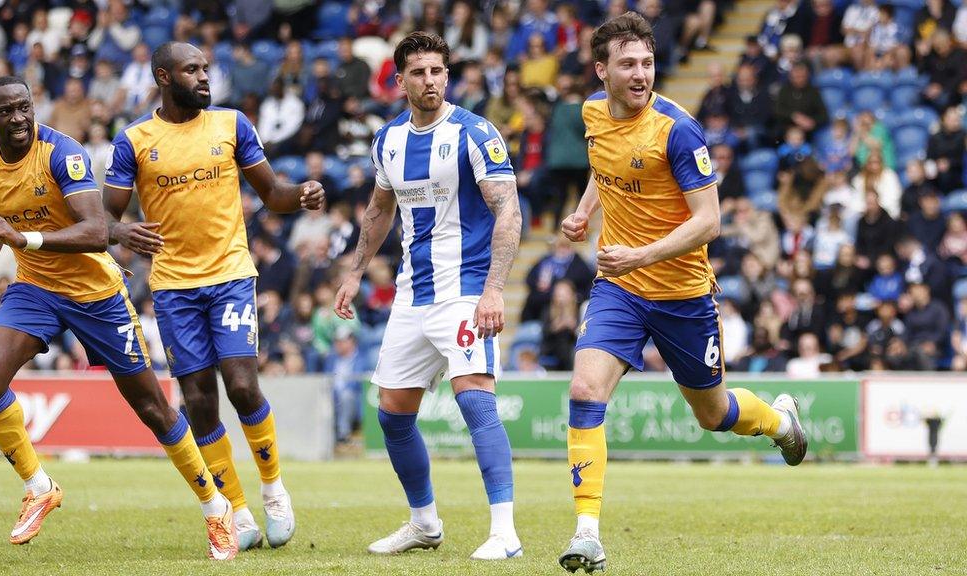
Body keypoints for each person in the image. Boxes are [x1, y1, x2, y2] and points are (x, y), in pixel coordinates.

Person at [556, 14, 808, 573]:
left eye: (646, 62)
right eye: (627, 63)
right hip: (618, 287)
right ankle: (587, 533)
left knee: (714, 415)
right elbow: (606, 168)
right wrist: (581, 213)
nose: (640, 73)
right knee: (584, 389)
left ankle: (778, 420)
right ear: (601, 71)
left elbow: (710, 221)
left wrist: (642, 254)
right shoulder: (592, 113)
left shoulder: (678, 129)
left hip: (682, 293)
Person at [0, 76, 237, 560]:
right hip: (36, 289)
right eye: (7, 112)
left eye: (25, 107)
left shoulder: (63, 152)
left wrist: (26, 240)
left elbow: (97, 229)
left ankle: (216, 508)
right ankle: (39, 486)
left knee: (153, 409)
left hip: (96, 293)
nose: (19, 118)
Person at [103, 42, 325, 552]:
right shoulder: (134, 140)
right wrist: (122, 233)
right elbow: (105, 216)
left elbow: (272, 194)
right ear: (163, 76)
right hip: (174, 286)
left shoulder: (232, 125)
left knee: (243, 385)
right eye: (192, 69)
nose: (205, 77)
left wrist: (303, 193)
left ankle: (273, 491)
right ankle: (238, 511)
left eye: (206, 68)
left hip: (229, 275)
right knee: (200, 400)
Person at [333, 32, 523, 561]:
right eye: (419, 73)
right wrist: (353, 274)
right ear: (401, 82)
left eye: (438, 71)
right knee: (392, 414)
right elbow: (378, 210)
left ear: (448, 75)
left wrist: (493, 291)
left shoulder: (474, 133)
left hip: (465, 290)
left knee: (475, 400)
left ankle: (504, 532)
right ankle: (424, 522)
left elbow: (508, 210)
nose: (431, 81)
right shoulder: (388, 140)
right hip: (412, 295)